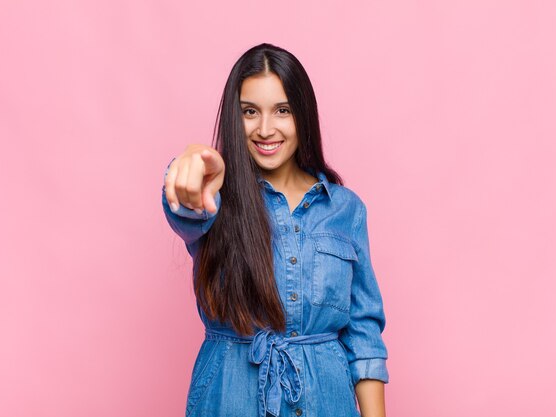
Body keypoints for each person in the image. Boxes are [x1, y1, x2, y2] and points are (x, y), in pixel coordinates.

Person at [162, 43, 389, 417]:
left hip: (326, 403)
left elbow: (364, 337)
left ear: (303, 114)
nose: (265, 129)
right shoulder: (214, 195)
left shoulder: (346, 209)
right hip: (229, 399)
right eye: (250, 112)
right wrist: (190, 163)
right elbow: (184, 206)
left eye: (282, 110)